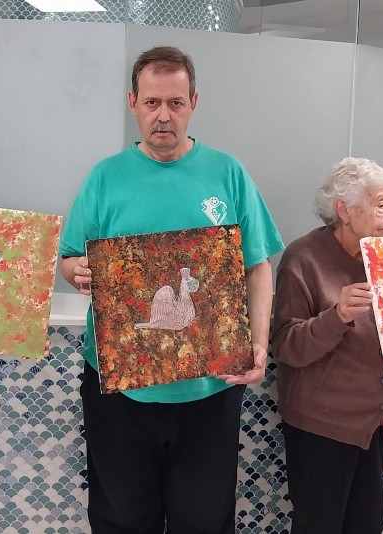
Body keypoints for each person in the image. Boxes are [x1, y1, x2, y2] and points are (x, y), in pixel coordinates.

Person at [59, 45, 284, 533]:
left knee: (204, 519)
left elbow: (257, 266)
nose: (164, 116)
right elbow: (69, 258)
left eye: (175, 103)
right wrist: (78, 272)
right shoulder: (104, 178)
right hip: (120, 388)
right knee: (122, 519)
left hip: (210, 387)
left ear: (194, 103)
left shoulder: (228, 173)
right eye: (152, 103)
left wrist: (258, 343)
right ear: (133, 104)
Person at [271, 157, 383, 533]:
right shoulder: (303, 258)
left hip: (373, 421)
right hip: (321, 426)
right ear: (343, 209)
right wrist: (338, 315)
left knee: (366, 523)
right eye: (381, 204)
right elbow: (286, 346)